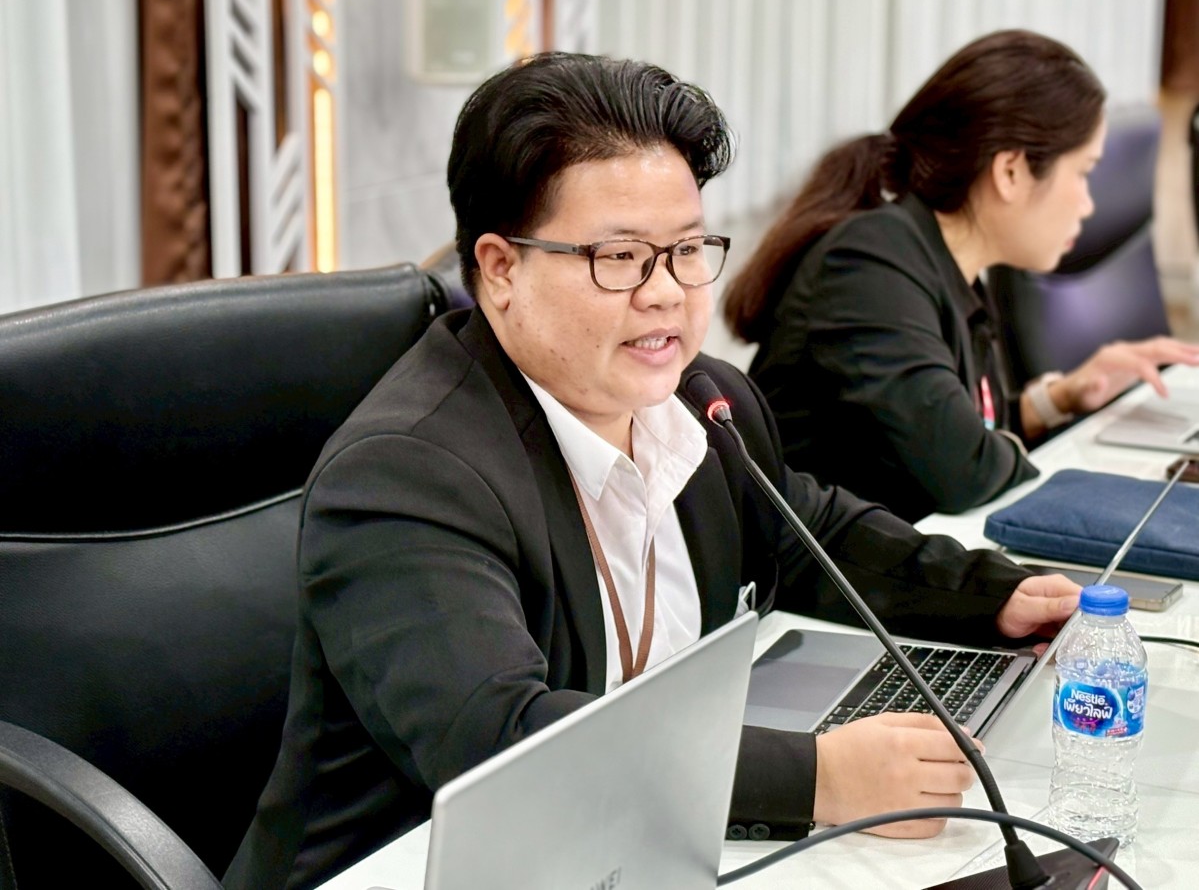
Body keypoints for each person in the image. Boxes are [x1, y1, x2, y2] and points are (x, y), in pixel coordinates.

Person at [224, 52, 1080, 890]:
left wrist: (991, 596)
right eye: (620, 257)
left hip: (617, 852)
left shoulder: (701, 403)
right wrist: (820, 778)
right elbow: (505, 744)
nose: (667, 291)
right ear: (500, 268)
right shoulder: (407, 475)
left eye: (686, 249)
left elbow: (808, 531)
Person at [723, 29, 1199, 524]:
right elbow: (964, 468)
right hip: (810, 569)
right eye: (1082, 173)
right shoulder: (870, 267)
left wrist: (1058, 400)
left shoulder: (945, 264)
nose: (1088, 204)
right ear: (1010, 172)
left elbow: (965, 425)